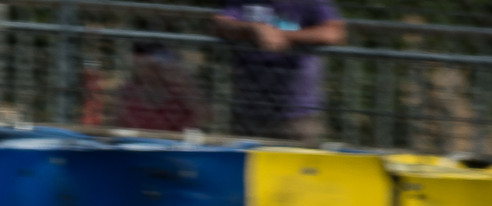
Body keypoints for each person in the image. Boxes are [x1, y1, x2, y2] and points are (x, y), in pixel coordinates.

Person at [212, 2, 347, 142]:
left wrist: (283, 36)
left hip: (296, 114)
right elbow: (221, 24)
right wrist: (253, 28)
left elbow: (334, 32)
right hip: (247, 111)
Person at [114, 42, 204, 132]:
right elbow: (121, 123)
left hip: (173, 143)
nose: (145, 72)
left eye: (151, 67)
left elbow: (202, 116)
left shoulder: (179, 91)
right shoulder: (129, 92)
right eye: (139, 67)